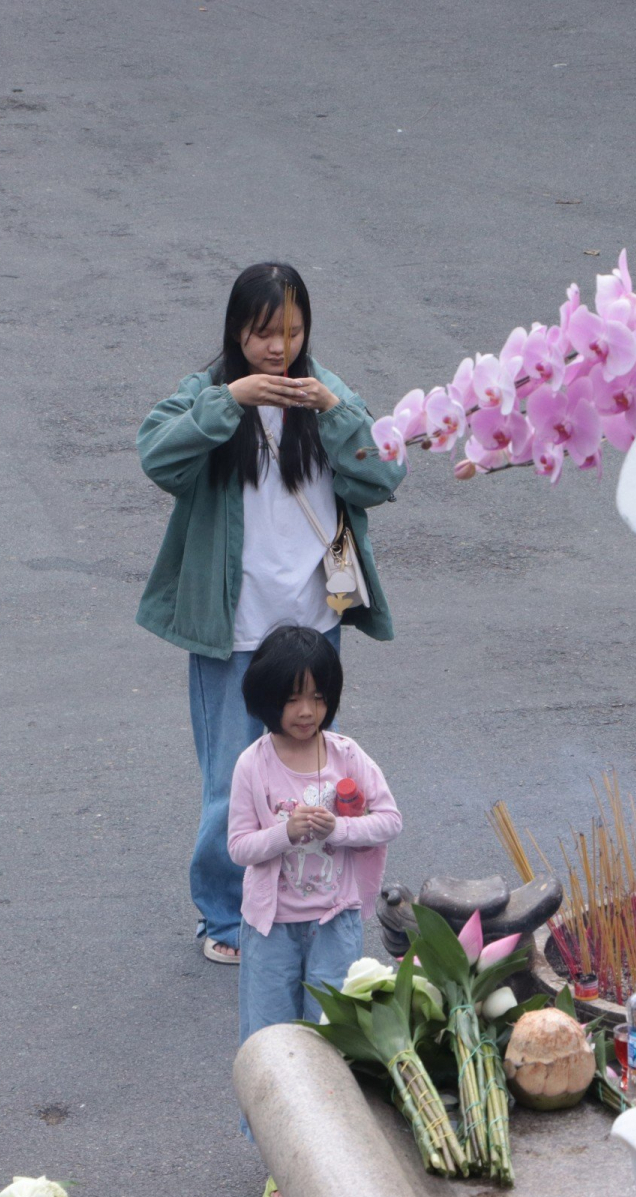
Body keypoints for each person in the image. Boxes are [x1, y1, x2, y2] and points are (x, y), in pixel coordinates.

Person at [136, 262, 404, 965]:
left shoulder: (328, 392)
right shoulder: (208, 394)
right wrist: (231, 400)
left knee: (315, 776)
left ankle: (315, 904)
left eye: (291, 331)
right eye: (263, 334)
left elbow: (384, 475)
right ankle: (226, 920)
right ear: (237, 332)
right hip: (232, 630)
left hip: (312, 627)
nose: (278, 348)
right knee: (234, 779)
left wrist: (334, 413)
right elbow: (157, 458)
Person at [228, 624, 401, 1197]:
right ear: (267, 699)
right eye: (294, 698)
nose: (306, 712)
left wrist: (341, 829)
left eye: (319, 697)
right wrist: (285, 832)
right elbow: (239, 848)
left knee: (328, 1037)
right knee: (274, 1040)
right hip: (272, 929)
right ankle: (282, 1160)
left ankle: (332, 1153)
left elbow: (389, 820)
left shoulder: (347, 755)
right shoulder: (253, 765)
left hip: (334, 922)